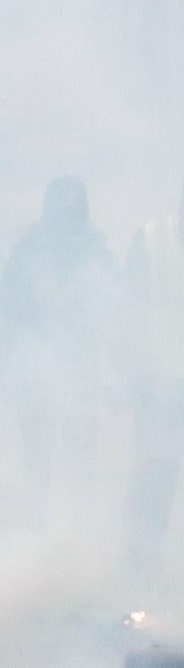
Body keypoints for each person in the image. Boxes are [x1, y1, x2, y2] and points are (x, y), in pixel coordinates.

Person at [0, 176, 118, 503]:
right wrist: (2, 367)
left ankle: (77, 525)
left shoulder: (96, 252)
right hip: (33, 371)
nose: (67, 215)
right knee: (38, 456)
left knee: (80, 453)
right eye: (62, 206)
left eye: (73, 208)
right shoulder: (27, 252)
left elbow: (116, 313)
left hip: (81, 367)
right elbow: (5, 312)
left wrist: (117, 371)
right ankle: (38, 528)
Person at [121, 190, 184, 577]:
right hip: (160, 379)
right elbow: (127, 310)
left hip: (159, 376)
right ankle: (140, 572)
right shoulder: (151, 239)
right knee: (155, 475)